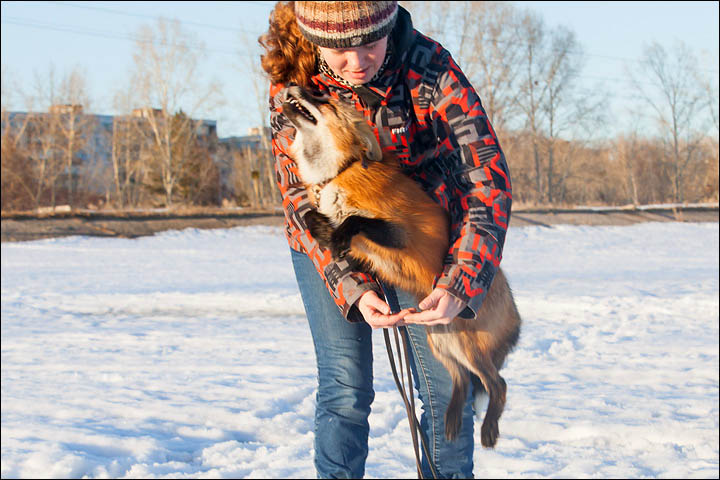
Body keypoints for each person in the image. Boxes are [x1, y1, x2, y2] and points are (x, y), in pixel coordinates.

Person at [259, 1, 512, 477]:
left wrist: (460, 281)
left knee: (444, 390)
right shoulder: (295, 87)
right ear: (315, 42)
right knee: (344, 389)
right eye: (339, 51)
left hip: (415, 234)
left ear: (389, 26)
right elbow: (298, 194)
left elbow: (486, 181)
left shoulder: (432, 71)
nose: (357, 63)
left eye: (369, 44)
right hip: (330, 235)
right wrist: (351, 283)